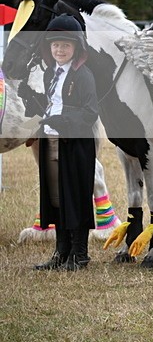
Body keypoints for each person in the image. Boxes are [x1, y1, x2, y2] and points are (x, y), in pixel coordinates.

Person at [30, 14, 99, 271]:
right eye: (55, 45)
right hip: (51, 140)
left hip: (74, 143)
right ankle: (61, 252)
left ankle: (79, 254)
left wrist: (62, 120)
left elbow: (90, 112)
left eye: (66, 45)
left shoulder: (84, 76)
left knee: (75, 196)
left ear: (77, 48)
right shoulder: (50, 74)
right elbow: (51, 105)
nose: (60, 50)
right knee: (56, 197)